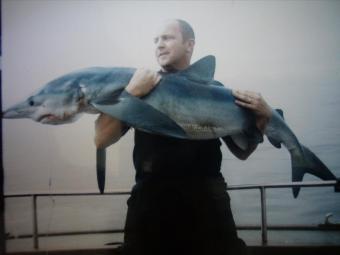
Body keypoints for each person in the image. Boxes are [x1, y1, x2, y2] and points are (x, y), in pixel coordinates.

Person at [95, 19, 272, 255]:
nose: (159, 45)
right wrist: (131, 94)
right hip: (151, 203)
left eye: (167, 38)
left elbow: (242, 151)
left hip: (208, 203)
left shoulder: (216, 90)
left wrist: (262, 119)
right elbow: (101, 139)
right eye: (155, 40)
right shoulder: (140, 86)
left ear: (190, 45)